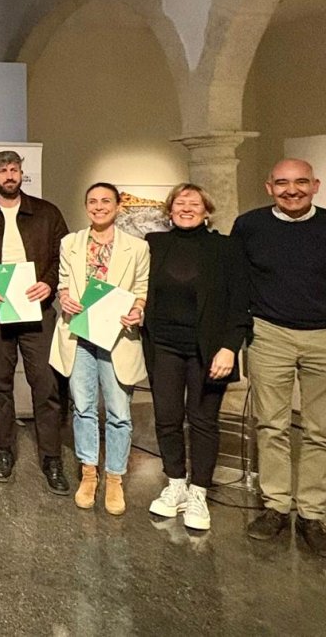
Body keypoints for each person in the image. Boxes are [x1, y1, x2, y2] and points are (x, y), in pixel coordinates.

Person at [233, 158, 326, 560]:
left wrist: (321, 310)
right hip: (270, 334)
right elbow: (239, 278)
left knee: (320, 429)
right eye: (283, 183)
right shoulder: (250, 226)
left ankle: (311, 514)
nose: (293, 190)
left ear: (316, 185)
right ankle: (275, 506)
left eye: (301, 182)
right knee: (270, 424)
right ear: (269, 186)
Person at [143, 183, 250, 531]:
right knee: (167, 418)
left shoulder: (225, 248)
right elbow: (139, 289)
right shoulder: (155, 245)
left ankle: (199, 491)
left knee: (203, 421)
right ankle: (175, 484)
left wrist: (230, 347)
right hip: (164, 347)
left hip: (209, 351)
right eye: (179, 202)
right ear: (169, 209)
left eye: (194, 203)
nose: (186, 208)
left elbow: (239, 302)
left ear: (207, 210)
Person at [0, 151, 71, 494]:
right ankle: (4, 452)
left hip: (37, 311)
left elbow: (64, 256)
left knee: (46, 386)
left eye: (14, 169)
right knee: (0, 386)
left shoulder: (47, 213)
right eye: (3, 170)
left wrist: (50, 282)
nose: (9, 175)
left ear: (21, 174)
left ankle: (52, 458)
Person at [50, 182, 149, 515]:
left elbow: (141, 289)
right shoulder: (71, 243)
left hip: (118, 336)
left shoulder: (137, 247)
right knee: (83, 408)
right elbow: (63, 282)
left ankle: (115, 477)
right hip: (79, 334)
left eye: (106, 201)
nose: (99, 206)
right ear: (85, 205)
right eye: (92, 201)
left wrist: (138, 310)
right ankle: (88, 473)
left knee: (120, 412)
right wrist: (63, 297)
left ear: (118, 206)